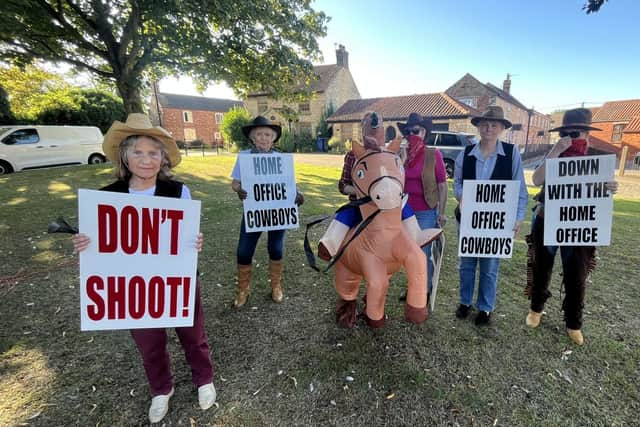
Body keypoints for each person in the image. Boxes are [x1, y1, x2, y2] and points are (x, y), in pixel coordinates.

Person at [71, 113, 216, 423]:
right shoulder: (107, 197)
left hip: (177, 281)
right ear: (124, 156)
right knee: (149, 343)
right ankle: (161, 390)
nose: (146, 159)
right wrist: (86, 244)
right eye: (138, 151)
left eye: (153, 152)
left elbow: (186, 237)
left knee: (194, 335)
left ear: (163, 158)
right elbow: (100, 246)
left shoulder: (179, 192)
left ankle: (204, 379)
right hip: (134, 288)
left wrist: (195, 242)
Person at [525, 108, 618, 345]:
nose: (571, 136)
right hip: (548, 218)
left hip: (579, 223)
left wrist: (610, 188)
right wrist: (556, 151)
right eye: (565, 132)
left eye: (576, 132)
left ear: (586, 134)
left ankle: (573, 322)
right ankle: (536, 309)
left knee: (576, 272)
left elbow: (600, 192)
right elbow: (536, 180)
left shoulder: (597, 158)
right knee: (541, 266)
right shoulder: (554, 153)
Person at [453, 106, 528, 325]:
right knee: (467, 263)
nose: (489, 128)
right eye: (484, 124)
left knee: (489, 267)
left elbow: (520, 188)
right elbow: (457, 182)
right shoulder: (466, 153)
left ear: (502, 128)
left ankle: (485, 308)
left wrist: (518, 217)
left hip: (496, 223)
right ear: (478, 127)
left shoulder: (511, 153)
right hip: (467, 220)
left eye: (494, 124)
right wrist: (460, 197)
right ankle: (465, 302)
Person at [230, 116, 304, 307]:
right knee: (244, 251)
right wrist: (239, 190)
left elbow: (289, 185)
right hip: (254, 211)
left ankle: (276, 286)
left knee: (276, 248)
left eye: (268, 134)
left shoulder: (281, 159)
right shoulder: (244, 157)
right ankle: (243, 289)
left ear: (273, 138)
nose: (263, 138)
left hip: (277, 211)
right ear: (252, 138)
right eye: (259, 134)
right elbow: (235, 183)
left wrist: (298, 194)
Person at [397, 113, 448, 299]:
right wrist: (401, 162)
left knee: (422, 252)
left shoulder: (433, 154)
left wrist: (441, 213)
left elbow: (442, 186)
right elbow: (393, 180)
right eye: (408, 132)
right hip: (404, 211)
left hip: (426, 210)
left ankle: (423, 290)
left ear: (424, 132)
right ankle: (412, 286)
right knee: (407, 252)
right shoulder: (400, 154)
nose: (412, 134)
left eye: (415, 131)